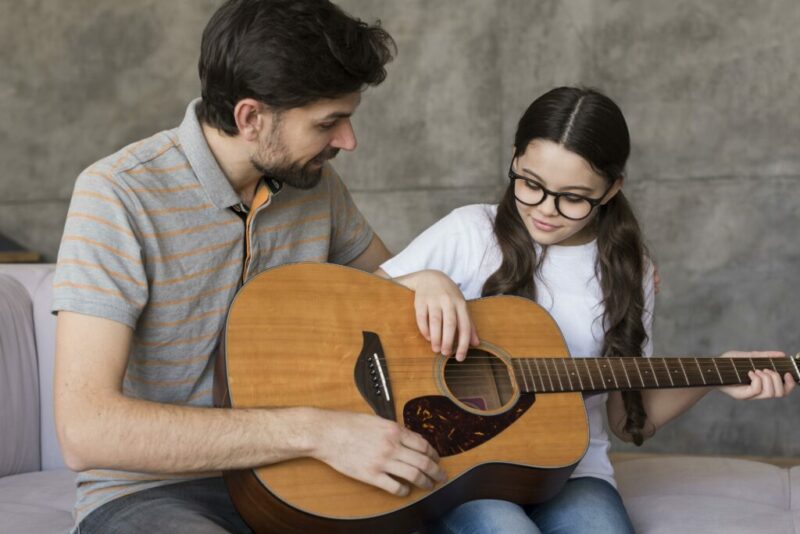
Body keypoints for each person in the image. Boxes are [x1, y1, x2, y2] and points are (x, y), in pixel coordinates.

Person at [53, 1, 450, 532]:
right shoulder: (116, 196)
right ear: (250, 118)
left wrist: (426, 284)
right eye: (329, 122)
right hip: (149, 493)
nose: (348, 142)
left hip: (303, 479)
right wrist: (316, 432)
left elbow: (391, 296)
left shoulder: (316, 186)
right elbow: (85, 430)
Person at [377, 86, 797, 533]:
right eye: (531, 184)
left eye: (573, 197)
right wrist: (424, 281)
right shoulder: (468, 232)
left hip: (571, 471)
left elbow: (626, 420)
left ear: (612, 188)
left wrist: (716, 377)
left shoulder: (629, 272)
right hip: (461, 465)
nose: (544, 210)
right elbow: (349, 304)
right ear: (515, 159)